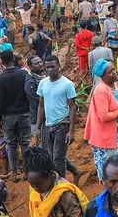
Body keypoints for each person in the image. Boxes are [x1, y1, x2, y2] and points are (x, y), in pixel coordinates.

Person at [37, 55, 83, 186]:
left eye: (53, 66)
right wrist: (39, 127)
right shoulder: (42, 84)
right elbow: (41, 105)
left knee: (58, 158)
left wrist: (71, 131)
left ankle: (61, 185)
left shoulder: (67, 84)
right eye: (48, 67)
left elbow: (72, 106)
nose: (50, 69)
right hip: (47, 125)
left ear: (59, 66)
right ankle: (75, 171)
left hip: (62, 124)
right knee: (51, 156)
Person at [84, 60, 118, 184]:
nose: (114, 73)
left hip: (116, 135)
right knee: (110, 173)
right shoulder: (101, 90)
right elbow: (103, 116)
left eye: (114, 69)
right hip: (105, 138)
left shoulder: (115, 85)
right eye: (110, 72)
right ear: (103, 76)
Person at [0, 50, 31, 182]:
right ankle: (27, 171)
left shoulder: (0, 78)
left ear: (1, 62)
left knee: (11, 144)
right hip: (24, 113)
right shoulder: (23, 73)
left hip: (8, 116)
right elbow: (28, 93)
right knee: (25, 143)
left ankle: (14, 173)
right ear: (14, 59)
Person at [24, 147, 89, 217]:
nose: (35, 188)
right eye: (31, 184)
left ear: (52, 176)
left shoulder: (65, 194)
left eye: (39, 184)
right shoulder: (35, 186)